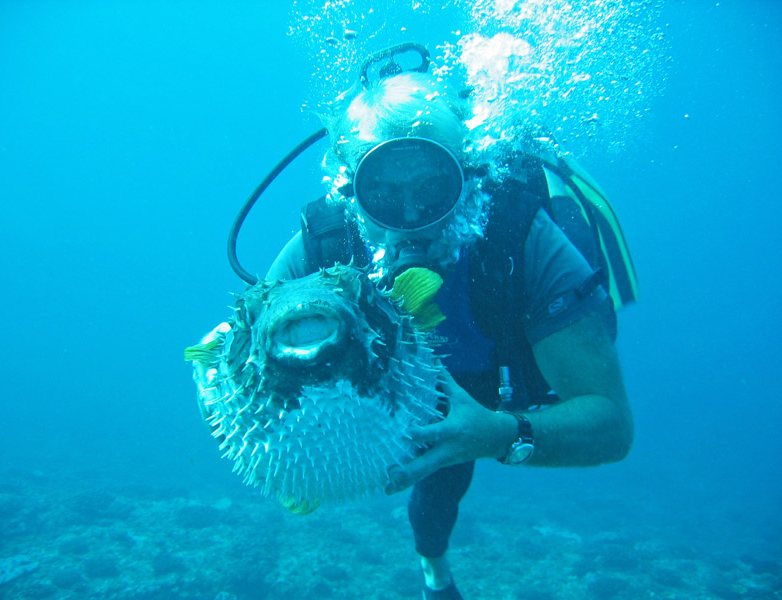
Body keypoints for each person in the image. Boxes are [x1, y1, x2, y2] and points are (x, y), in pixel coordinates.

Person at [265, 49, 634, 600]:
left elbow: (612, 425)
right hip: (380, 379)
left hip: (481, 383)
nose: (412, 218)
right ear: (350, 188)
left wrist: (508, 433)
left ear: (469, 178)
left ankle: (433, 566)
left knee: (445, 476)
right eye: (384, 194)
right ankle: (434, 565)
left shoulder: (522, 239)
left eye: (433, 189)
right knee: (440, 475)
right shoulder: (325, 244)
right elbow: (249, 347)